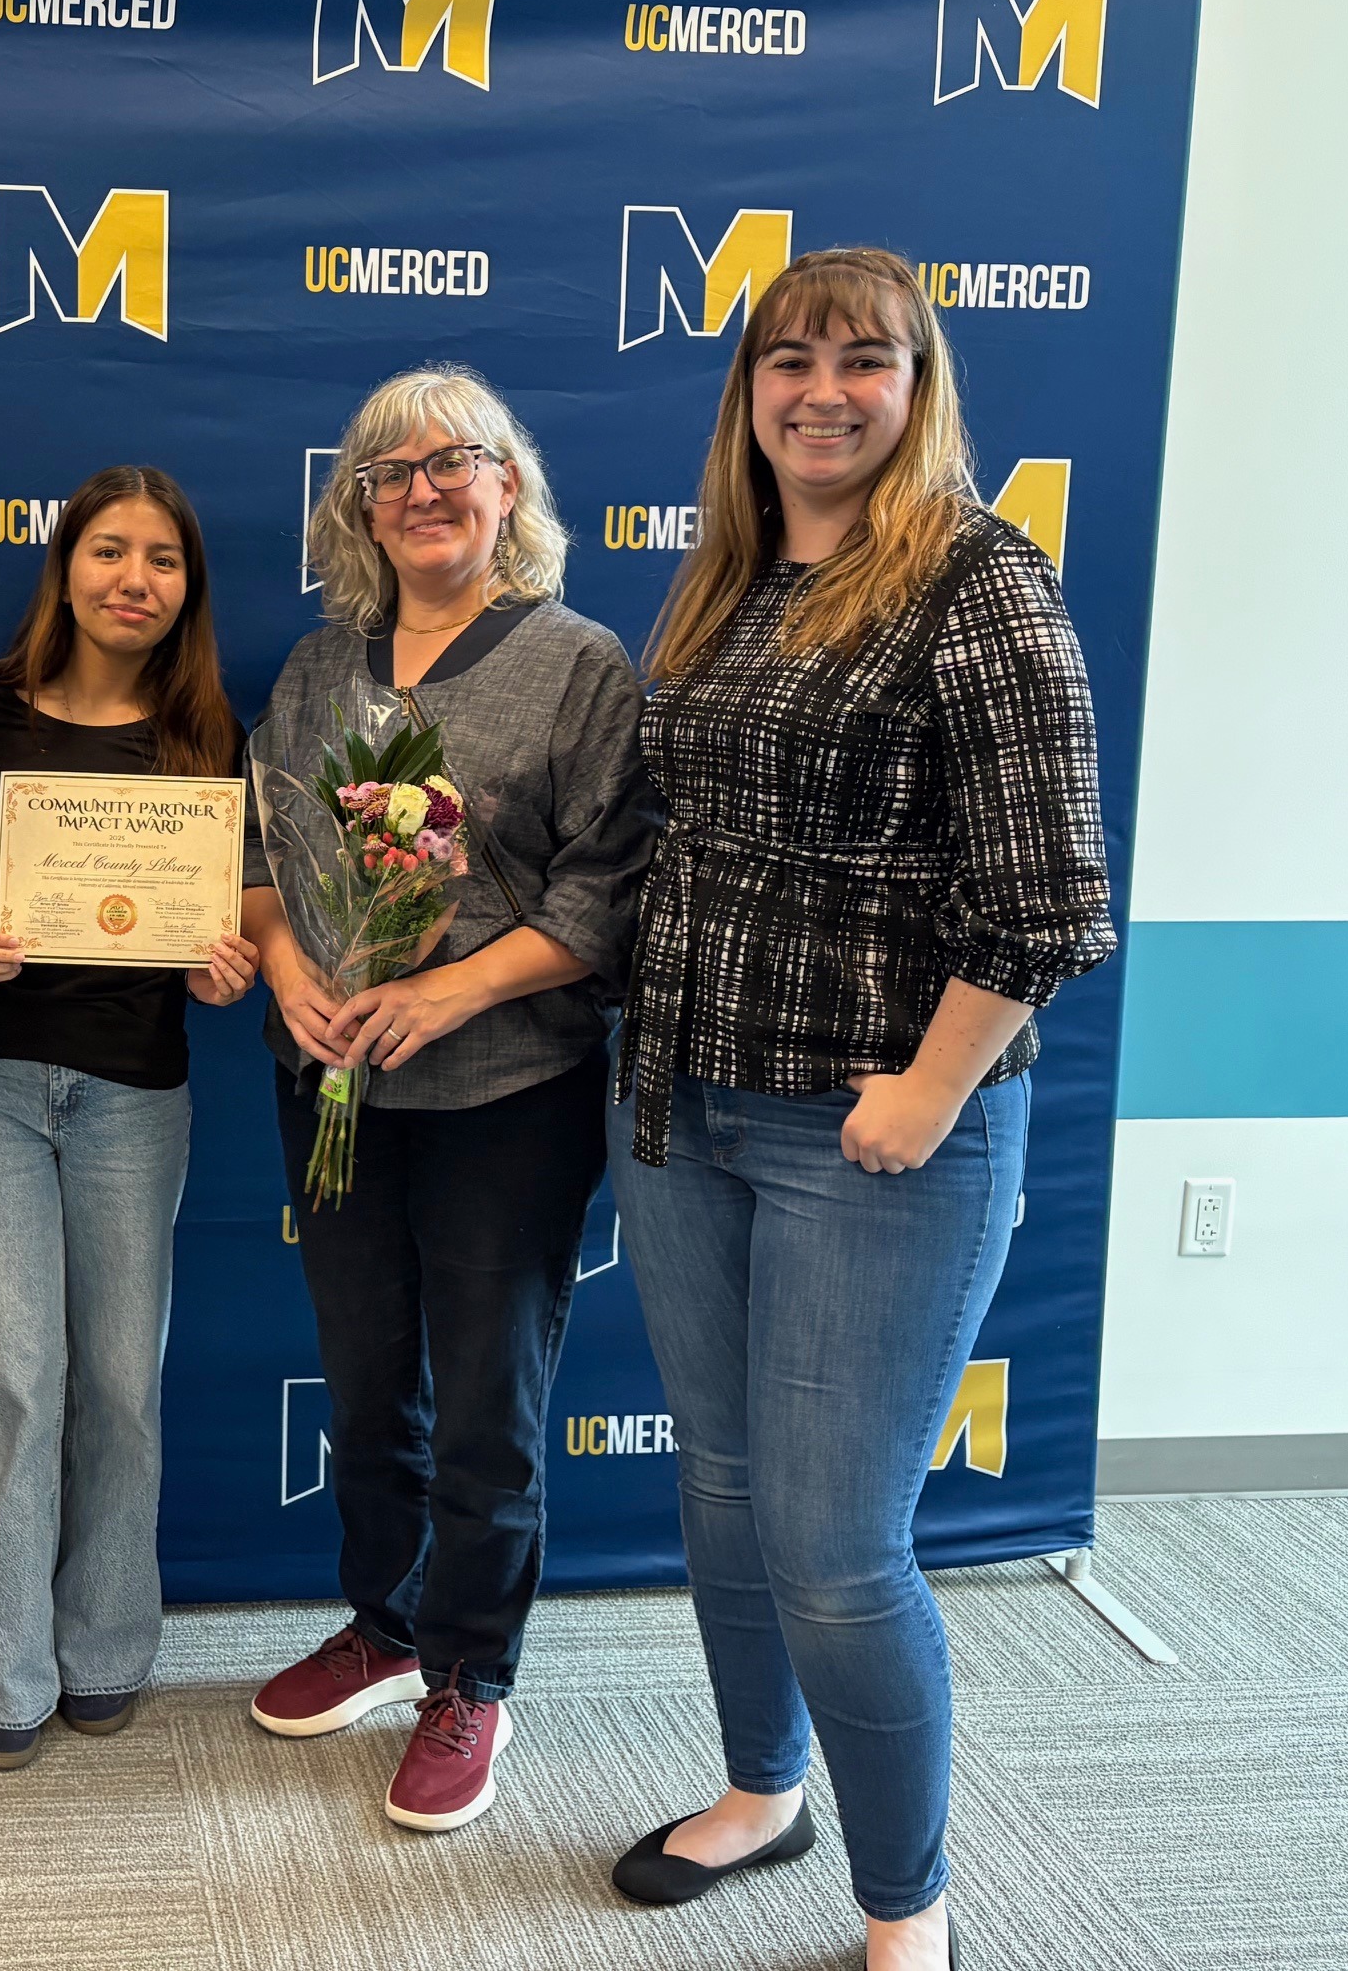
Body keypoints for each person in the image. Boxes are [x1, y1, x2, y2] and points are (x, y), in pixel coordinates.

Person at [605, 249, 1115, 1971]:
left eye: (864, 359)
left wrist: (932, 1086)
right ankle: (763, 1790)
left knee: (834, 1545)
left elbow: (1051, 898)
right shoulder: (732, 576)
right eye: (788, 358)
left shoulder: (980, 578)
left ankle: (910, 1909)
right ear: (746, 388)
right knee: (726, 1491)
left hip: (873, 1138)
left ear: (919, 384)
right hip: (684, 1107)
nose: (821, 391)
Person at [241, 363, 658, 1832]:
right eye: (389, 473)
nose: (422, 490)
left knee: (487, 1402)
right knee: (367, 1387)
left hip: (506, 1093)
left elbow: (607, 889)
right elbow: (261, 852)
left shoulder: (579, 664)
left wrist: (450, 990)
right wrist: (289, 966)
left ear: (508, 486)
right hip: (334, 1086)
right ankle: (386, 1622)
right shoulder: (317, 670)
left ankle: (472, 1670)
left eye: (452, 462)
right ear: (359, 509)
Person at [0, 466, 260, 1770]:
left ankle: (107, 1646)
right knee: (3, 1377)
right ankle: (0, 1673)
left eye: (163, 559)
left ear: (188, 589)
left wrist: (224, 967)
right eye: (110, 551)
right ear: (64, 569)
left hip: (135, 1092)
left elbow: (231, 912)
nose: (135, 579)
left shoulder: (209, 732)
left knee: (120, 1382)